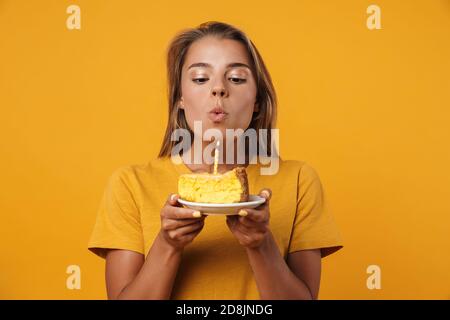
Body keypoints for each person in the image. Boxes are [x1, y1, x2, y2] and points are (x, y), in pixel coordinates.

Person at [88, 21, 343, 300]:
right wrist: (167, 244)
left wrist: (261, 244)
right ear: (180, 98)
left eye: (236, 78)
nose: (219, 89)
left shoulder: (298, 180)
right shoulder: (130, 184)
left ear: (257, 99)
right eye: (200, 78)